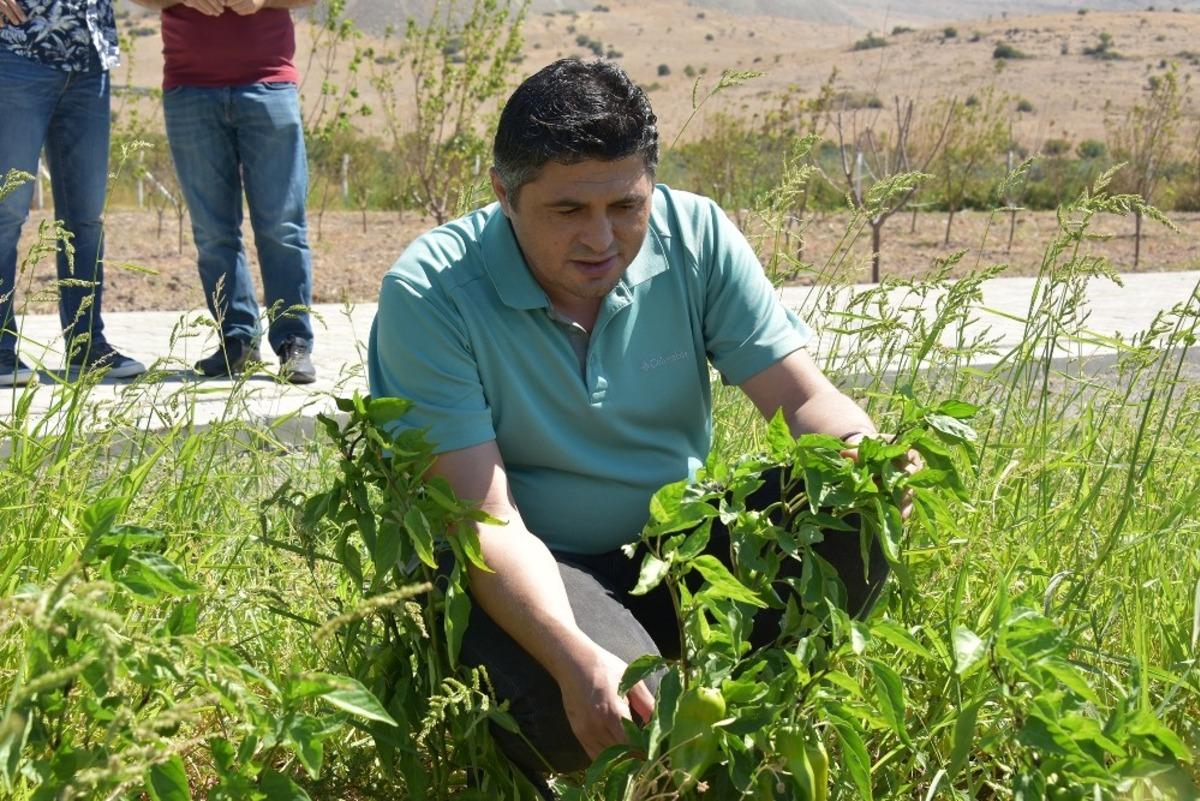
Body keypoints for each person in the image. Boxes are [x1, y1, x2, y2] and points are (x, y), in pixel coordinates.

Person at [368, 58, 910, 776]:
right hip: (539, 561)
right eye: (569, 211)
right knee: (607, 714)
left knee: (858, 501)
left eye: (626, 207)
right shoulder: (432, 293)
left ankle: (752, 718)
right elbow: (482, 521)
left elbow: (804, 399)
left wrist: (868, 451)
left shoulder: (696, 237)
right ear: (504, 191)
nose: (601, 239)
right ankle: (657, 709)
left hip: (676, 544)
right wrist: (573, 657)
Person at [131, 0, 317, 384]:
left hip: (269, 85)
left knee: (282, 226)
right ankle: (237, 341)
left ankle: (293, 342)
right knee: (212, 232)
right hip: (189, 88)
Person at [0, 0, 147, 386]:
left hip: (91, 60)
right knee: (7, 211)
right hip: (17, 54)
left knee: (85, 218)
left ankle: (86, 345)